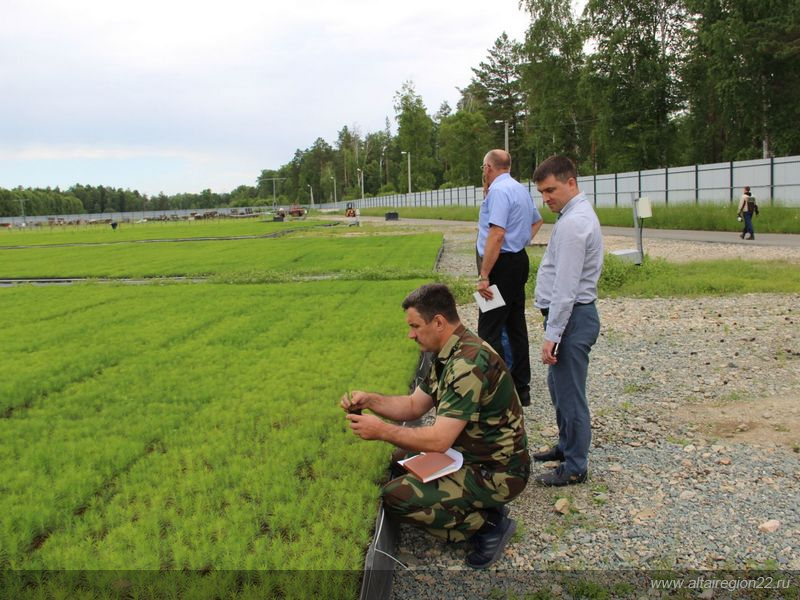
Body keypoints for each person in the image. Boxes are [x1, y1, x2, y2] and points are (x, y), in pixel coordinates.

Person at [341, 283, 529, 569]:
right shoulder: (449, 353)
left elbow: (439, 439)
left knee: (396, 497)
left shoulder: (467, 363)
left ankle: (486, 524)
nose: (411, 334)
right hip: (471, 455)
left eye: (415, 326)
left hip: (498, 470)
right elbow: (414, 406)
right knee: (401, 461)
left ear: (438, 322)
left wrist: (382, 431)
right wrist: (371, 399)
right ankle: (474, 502)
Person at [532, 155, 603, 487]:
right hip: (569, 318)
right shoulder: (571, 216)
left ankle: (575, 465)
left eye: (551, 190)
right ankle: (566, 446)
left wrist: (553, 334)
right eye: (542, 193)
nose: (546, 198)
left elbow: (566, 287)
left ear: (571, 183)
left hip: (571, 318)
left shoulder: (574, 224)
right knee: (557, 387)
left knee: (571, 395)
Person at [476, 149, 544, 407]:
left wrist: (484, 274)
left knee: (489, 328)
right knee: (516, 325)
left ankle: (497, 389)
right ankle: (520, 386)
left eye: (484, 167)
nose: (483, 172)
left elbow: (496, 234)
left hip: (499, 266)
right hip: (517, 262)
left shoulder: (498, 192)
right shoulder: (519, 189)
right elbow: (537, 222)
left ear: (489, 167)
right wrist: (521, 241)